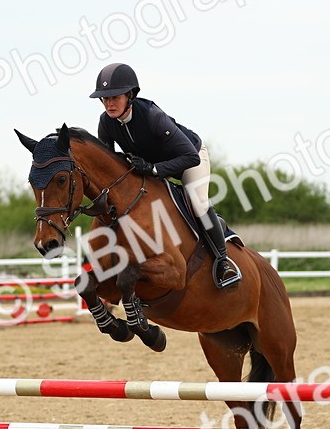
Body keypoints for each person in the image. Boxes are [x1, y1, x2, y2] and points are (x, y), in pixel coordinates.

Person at [90, 62, 241, 288]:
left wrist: (153, 169)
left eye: (115, 97)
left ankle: (223, 261)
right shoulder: (106, 122)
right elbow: (108, 165)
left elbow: (191, 157)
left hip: (190, 159)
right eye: (105, 99)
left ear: (130, 95)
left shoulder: (151, 115)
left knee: (198, 204)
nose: (109, 103)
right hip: (153, 166)